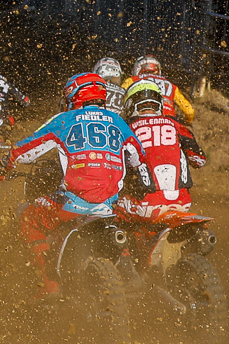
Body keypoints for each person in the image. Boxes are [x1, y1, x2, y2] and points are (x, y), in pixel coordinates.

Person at [11, 72, 145, 298]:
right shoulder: (119, 122)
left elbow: (24, 152)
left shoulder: (65, 119)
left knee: (28, 217)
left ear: (75, 95)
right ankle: (129, 273)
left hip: (72, 204)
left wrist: (2, 165)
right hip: (109, 206)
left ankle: (48, 285)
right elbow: (138, 157)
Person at [115, 76, 207, 226]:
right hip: (182, 203)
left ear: (131, 104)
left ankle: (123, 241)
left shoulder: (126, 128)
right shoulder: (176, 124)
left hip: (147, 206)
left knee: (113, 207)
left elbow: (117, 165)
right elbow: (200, 161)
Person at [129, 56, 196, 123]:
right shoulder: (171, 85)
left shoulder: (133, 80)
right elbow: (190, 111)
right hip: (169, 120)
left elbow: (122, 95)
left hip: (143, 119)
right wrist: (186, 122)